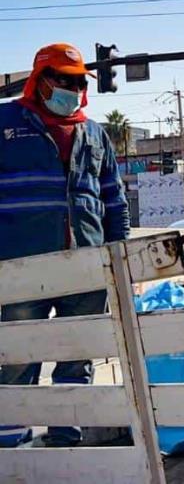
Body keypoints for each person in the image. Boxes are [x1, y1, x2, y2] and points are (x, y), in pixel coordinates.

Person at [0, 43, 129, 448]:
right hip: (23, 265)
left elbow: (114, 199)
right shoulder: (5, 122)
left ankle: (65, 441)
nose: (72, 88)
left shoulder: (94, 133)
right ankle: (12, 447)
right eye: (64, 80)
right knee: (19, 356)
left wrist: (120, 256)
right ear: (41, 81)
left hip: (87, 265)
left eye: (78, 82)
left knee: (80, 354)